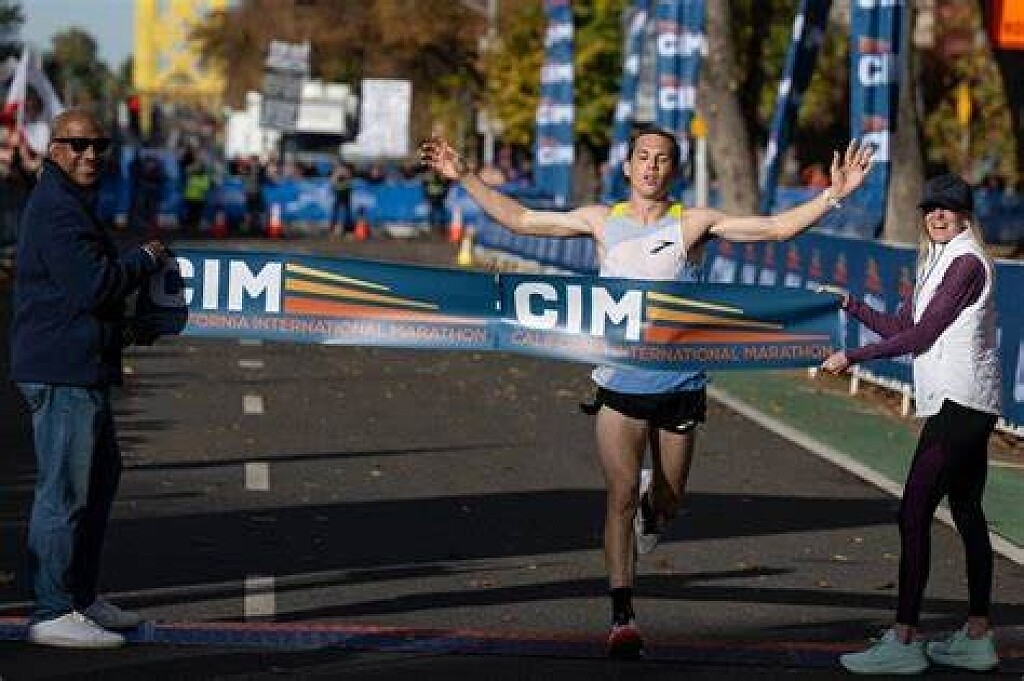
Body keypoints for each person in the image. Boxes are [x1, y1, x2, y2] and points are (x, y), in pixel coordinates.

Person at [420, 125, 874, 657]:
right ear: (628, 166)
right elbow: (520, 218)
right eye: (643, 157)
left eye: (661, 159)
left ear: (673, 171)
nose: (651, 166)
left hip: (679, 383)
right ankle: (622, 616)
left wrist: (833, 196)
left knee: (670, 498)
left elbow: (775, 229)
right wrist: (465, 176)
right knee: (618, 497)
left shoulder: (694, 223)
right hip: (619, 382)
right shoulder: (600, 220)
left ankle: (653, 510)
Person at [822, 173, 1002, 675]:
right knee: (966, 510)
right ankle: (977, 637)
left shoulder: (966, 261)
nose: (937, 216)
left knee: (914, 512)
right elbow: (903, 326)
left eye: (948, 208)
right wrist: (850, 304)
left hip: (961, 403)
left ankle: (904, 639)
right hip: (966, 402)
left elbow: (922, 336)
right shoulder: (937, 260)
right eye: (931, 208)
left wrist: (853, 357)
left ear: (965, 215)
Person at [11, 109, 169, 648]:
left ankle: (79, 596)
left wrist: (126, 330)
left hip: (80, 366)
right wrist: (144, 259)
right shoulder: (56, 207)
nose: (90, 155)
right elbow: (93, 287)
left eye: (99, 145)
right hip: (61, 372)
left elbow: (79, 296)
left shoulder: (70, 202)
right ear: (54, 148)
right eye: (78, 145)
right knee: (64, 491)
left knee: (97, 482)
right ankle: (52, 610)